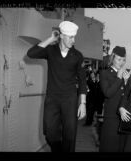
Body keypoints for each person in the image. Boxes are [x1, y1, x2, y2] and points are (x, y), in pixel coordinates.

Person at [26, 21, 87, 152]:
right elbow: (31, 53)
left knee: (70, 135)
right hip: (52, 99)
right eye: (71, 37)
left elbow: (82, 81)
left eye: (74, 37)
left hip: (70, 99)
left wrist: (83, 103)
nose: (73, 40)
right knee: (50, 133)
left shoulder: (77, 56)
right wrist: (51, 39)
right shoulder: (51, 50)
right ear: (62, 36)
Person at [99, 46, 130, 152]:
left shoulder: (126, 74)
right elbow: (108, 93)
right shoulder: (105, 73)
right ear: (112, 58)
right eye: (119, 59)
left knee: (121, 147)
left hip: (124, 117)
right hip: (111, 116)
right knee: (109, 145)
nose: (121, 62)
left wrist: (127, 83)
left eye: (123, 60)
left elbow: (128, 96)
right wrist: (119, 78)